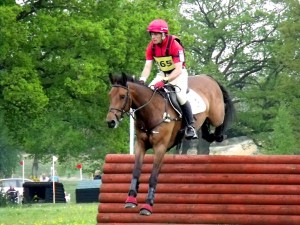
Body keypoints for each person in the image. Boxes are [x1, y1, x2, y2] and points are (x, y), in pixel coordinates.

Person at [139, 19, 198, 139]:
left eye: (156, 34)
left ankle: (190, 126)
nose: (153, 37)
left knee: (180, 96)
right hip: (162, 74)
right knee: (148, 94)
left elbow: (178, 70)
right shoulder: (151, 47)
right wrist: (142, 80)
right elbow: (148, 66)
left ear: (163, 34)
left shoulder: (175, 45)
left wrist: (164, 81)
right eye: (151, 34)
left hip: (178, 74)